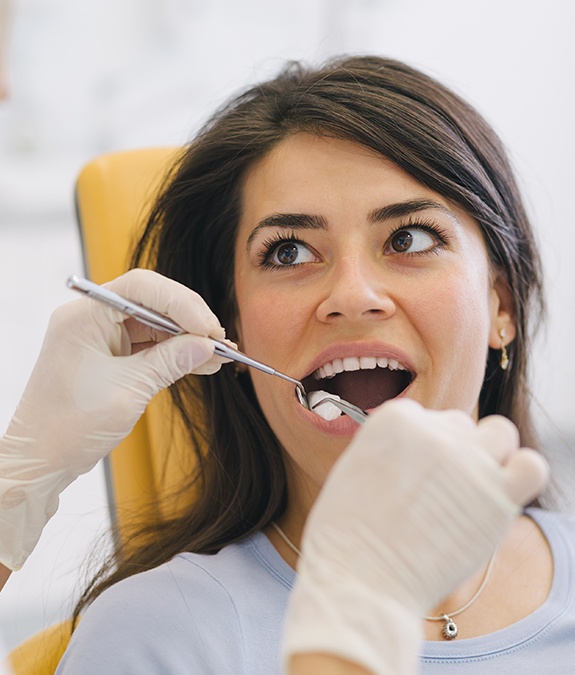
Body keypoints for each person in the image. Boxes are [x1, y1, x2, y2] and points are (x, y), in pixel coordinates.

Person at [0, 55, 564, 672]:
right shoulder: (157, 635)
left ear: (501, 304)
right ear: (232, 329)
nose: (352, 296)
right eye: (289, 251)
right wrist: (13, 488)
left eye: (408, 238)